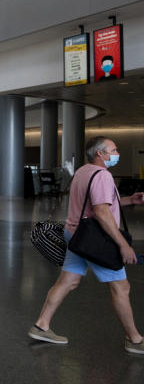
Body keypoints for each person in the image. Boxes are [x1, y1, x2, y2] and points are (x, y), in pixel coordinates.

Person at [29, 137, 144, 353]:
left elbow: (101, 202)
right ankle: (135, 339)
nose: (117, 153)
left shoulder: (83, 171)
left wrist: (130, 200)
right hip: (97, 240)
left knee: (68, 281)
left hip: (76, 235)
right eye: (114, 150)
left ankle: (41, 325)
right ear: (100, 153)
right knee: (121, 286)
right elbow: (101, 211)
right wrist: (122, 245)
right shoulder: (103, 175)